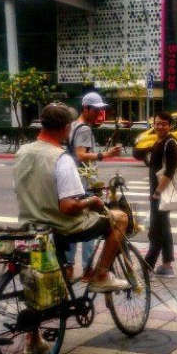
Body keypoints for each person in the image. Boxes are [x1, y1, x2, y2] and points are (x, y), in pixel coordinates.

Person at [14, 103, 128, 354]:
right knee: (119, 218)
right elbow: (68, 206)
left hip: (31, 226)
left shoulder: (22, 152)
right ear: (66, 129)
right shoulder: (61, 159)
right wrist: (92, 201)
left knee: (38, 279)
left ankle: (34, 340)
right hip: (62, 224)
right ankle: (100, 274)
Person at [66, 92, 121, 282]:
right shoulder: (84, 129)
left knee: (72, 226)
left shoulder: (73, 125)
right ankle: (89, 269)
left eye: (100, 109)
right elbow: (81, 155)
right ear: (86, 108)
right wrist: (105, 155)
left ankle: (68, 267)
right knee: (92, 225)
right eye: (96, 109)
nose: (99, 112)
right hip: (83, 183)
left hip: (72, 183)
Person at [144, 112, 177, 278]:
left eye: (163, 124)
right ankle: (167, 265)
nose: (159, 126)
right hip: (157, 191)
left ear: (170, 125)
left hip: (161, 192)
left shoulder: (170, 142)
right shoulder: (159, 141)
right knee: (163, 227)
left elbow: (171, 170)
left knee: (157, 228)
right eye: (157, 123)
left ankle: (148, 264)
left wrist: (158, 191)